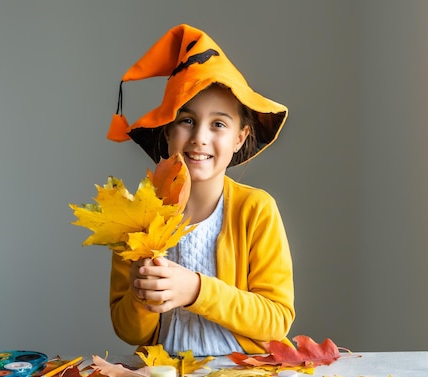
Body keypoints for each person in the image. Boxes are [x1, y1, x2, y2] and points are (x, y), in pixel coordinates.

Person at [105, 24, 295, 356]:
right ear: (167, 131)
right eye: (186, 120)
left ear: (239, 138)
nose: (199, 138)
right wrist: (140, 295)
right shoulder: (138, 217)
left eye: (218, 124)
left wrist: (196, 290)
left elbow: (276, 319)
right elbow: (126, 329)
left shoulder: (256, 210)